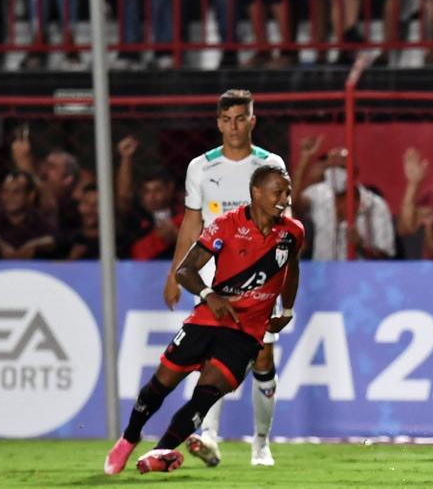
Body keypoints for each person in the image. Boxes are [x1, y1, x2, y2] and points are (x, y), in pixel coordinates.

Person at [103, 166, 303, 476]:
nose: (284, 199)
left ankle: (161, 452)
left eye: (287, 192)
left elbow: (292, 270)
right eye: (278, 192)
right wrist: (210, 295)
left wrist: (287, 311)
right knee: (159, 386)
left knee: (205, 397)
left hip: (247, 333)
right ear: (256, 193)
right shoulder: (226, 225)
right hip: (208, 319)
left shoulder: (292, 232)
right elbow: (186, 270)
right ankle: (129, 439)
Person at [163, 89, 288, 467]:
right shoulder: (201, 167)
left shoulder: (270, 164)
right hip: (215, 280)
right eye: (226, 119)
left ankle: (261, 443)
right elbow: (191, 223)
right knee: (211, 355)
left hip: (262, 277)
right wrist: (175, 272)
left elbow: (286, 224)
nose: (234, 127)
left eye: (241, 118)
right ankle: (208, 435)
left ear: (252, 120)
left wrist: (281, 281)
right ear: (218, 123)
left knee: (262, 355)